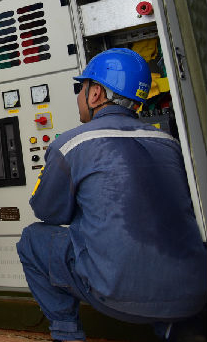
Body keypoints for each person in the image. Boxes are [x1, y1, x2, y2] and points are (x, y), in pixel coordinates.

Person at [17, 48, 207, 342]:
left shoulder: (71, 144)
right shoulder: (168, 143)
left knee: (33, 239)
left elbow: (47, 212)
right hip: (194, 295)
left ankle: (66, 334)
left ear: (96, 94)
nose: (79, 96)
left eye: (81, 88)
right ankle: (174, 328)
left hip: (116, 294)